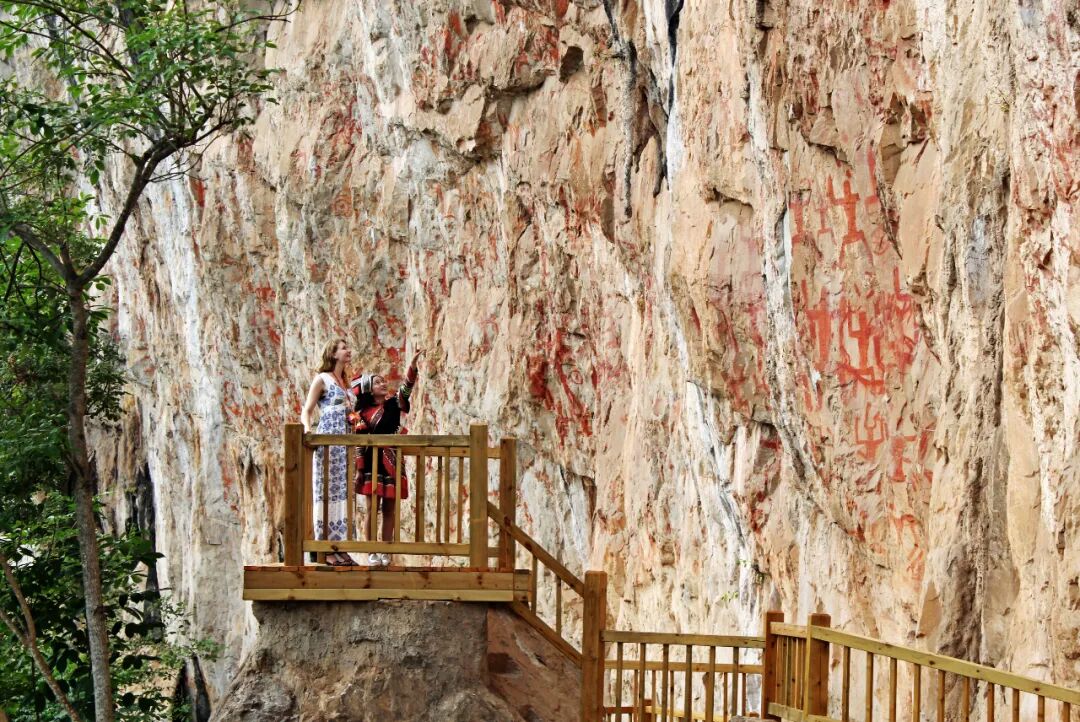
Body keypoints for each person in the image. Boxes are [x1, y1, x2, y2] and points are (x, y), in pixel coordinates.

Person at [350, 350, 423, 567]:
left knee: (390, 509)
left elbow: (407, 388)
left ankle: (386, 550)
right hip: (371, 463)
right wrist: (359, 470)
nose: (383, 384)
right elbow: (360, 443)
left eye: (383, 381)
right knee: (372, 508)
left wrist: (412, 367)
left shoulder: (394, 403)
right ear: (368, 389)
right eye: (378, 382)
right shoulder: (361, 414)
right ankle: (371, 551)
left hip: (392, 460)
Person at [299, 339, 356, 566]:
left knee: (343, 492)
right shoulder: (322, 379)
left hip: (346, 445)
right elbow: (307, 410)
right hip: (328, 442)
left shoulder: (346, 383)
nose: (348, 351)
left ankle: (341, 547)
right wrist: (308, 431)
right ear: (332, 354)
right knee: (326, 491)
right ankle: (325, 549)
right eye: (343, 348)